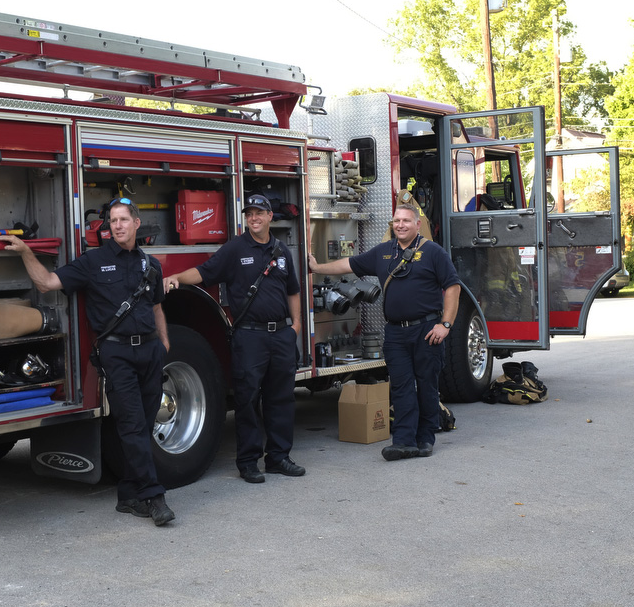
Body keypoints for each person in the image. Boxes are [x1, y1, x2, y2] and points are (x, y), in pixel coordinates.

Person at [0, 198, 175, 526]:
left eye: (123, 219)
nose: (117, 226)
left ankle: (128, 495)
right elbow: (47, 283)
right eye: (112, 221)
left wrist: (164, 343)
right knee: (132, 425)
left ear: (136, 223)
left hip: (150, 352)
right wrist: (25, 252)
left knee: (144, 426)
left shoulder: (150, 264)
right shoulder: (93, 262)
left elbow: (157, 306)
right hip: (117, 354)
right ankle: (154, 496)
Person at [163, 194, 304, 484]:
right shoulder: (235, 249)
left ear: (270, 217)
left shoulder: (281, 251)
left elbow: (293, 290)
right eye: (249, 214)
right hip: (249, 337)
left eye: (259, 213)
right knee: (247, 400)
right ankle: (248, 462)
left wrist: (297, 326)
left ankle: (278, 458)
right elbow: (204, 273)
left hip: (281, 335)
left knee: (281, 399)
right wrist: (177, 277)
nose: (254, 218)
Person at [308, 203, 461, 461]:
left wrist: (445, 325)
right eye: (397, 221)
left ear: (417, 224)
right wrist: (318, 268)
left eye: (406, 221)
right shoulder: (383, 252)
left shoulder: (433, 252)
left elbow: (453, 287)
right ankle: (403, 442)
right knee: (401, 387)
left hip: (427, 331)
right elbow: (349, 264)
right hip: (396, 334)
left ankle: (425, 438)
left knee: (426, 385)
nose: (400, 225)